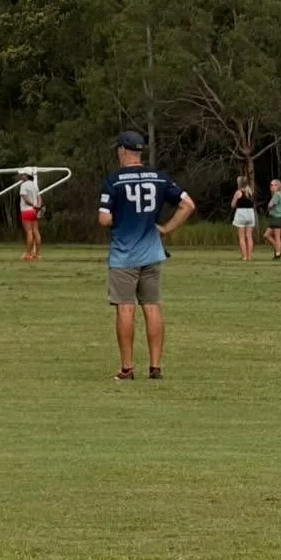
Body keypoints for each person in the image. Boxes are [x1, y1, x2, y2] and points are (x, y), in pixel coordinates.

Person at [98, 130, 194, 381]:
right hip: (152, 253)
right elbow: (188, 204)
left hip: (124, 256)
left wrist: (121, 217)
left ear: (121, 151)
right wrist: (166, 229)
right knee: (152, 308)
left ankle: (127, 368)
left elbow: (104, 218)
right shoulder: (159, 177)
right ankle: (155, 367)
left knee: (125, 308)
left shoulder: (114, 180)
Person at [229, 176, 257, 261]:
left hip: (241, 213)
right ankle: (249, 256)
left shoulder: (238, 192)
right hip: (250, 214)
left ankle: (244, 256)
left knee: (241, 237)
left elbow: (232, 205)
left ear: (239, 183)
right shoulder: (250, 192)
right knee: (249, 236)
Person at [17, 170, 42, 261]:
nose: (21, 176)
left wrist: (32, 204)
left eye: (23, 174)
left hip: (26, 211)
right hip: (34, 211)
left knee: (29, 232)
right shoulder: (34, 185)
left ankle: (27, 254)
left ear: (27, 175)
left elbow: (25, 198)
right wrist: (38, 206)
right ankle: (37, 254)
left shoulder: (23, 185)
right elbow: (39, 198)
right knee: (36, 231)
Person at [264, 179, 281, 260]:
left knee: (277, 236)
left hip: (277, 217)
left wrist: (269, 208)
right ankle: (278, 249)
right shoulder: (278, 195)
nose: (272, 186)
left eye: (274, 185)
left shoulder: (277, 195)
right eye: (271, 185)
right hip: (274, 218)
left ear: (279, 186)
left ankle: (277, 253)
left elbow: (270, 205)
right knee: (266, 235)